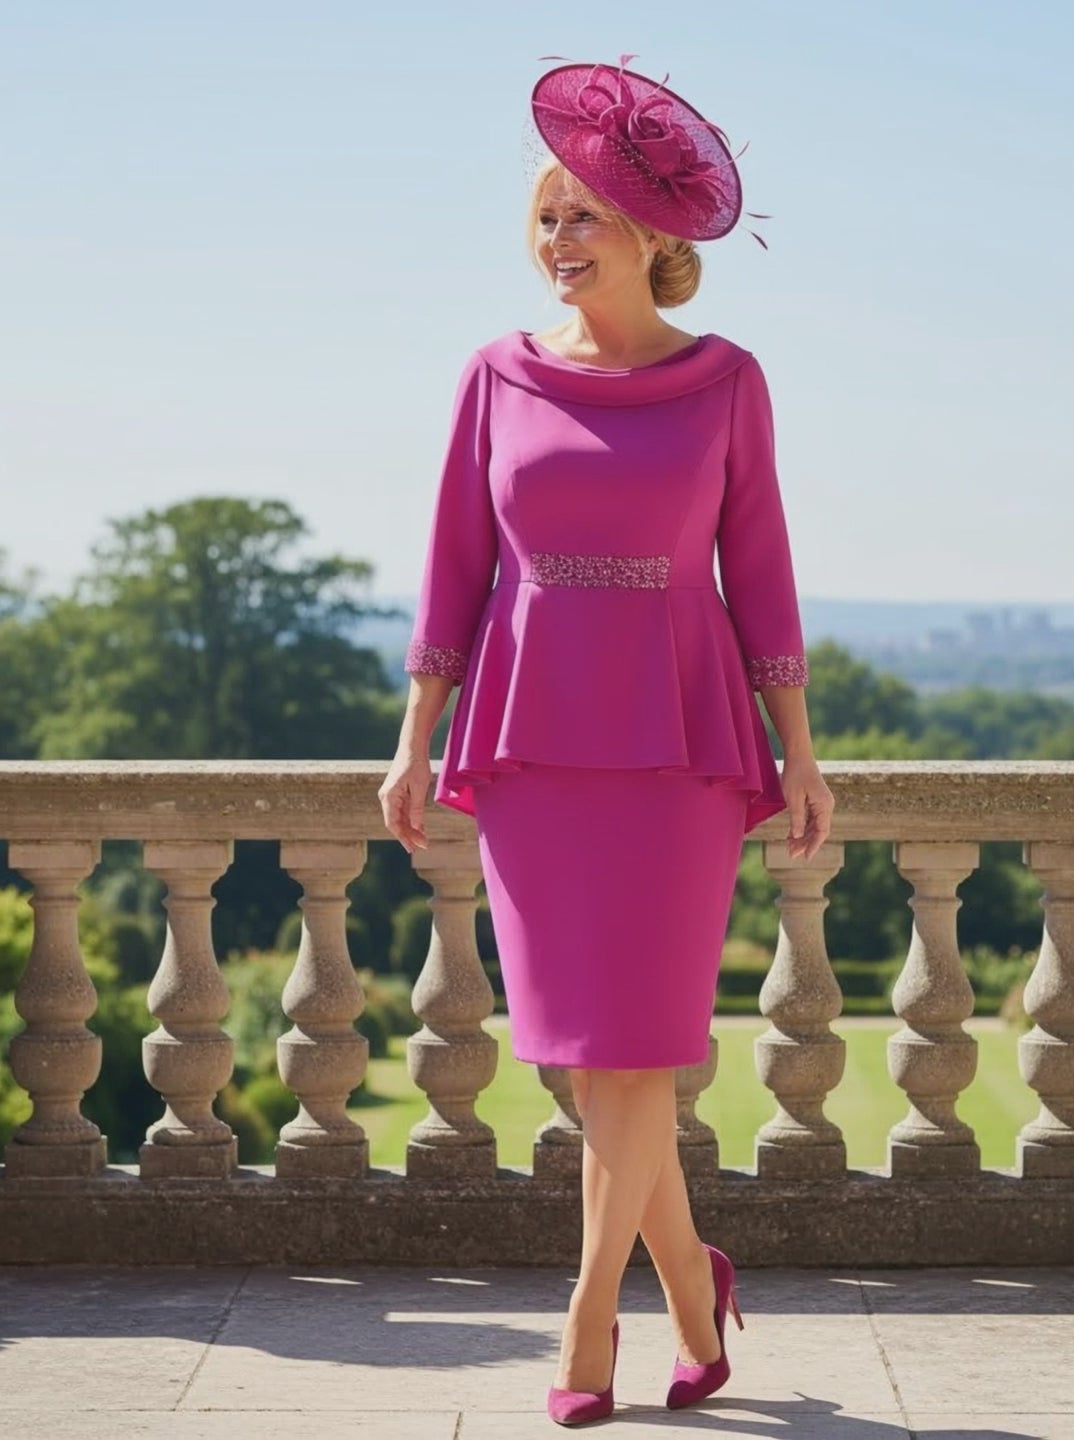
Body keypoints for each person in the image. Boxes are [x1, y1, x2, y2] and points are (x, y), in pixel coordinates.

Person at [379, 57, 833, 1426]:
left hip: (683, 744)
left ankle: (589, 1321)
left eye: (583, 216)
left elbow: (761, 570)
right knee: (590, 1051)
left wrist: (798, 750)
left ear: (651, 237)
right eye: (545, 218)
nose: (558, 240)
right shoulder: (494, 376)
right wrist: (414, 740)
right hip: (531, 741)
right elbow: (453, 565)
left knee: (643, 1039)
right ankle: (694, 1293)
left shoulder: (726, 383)